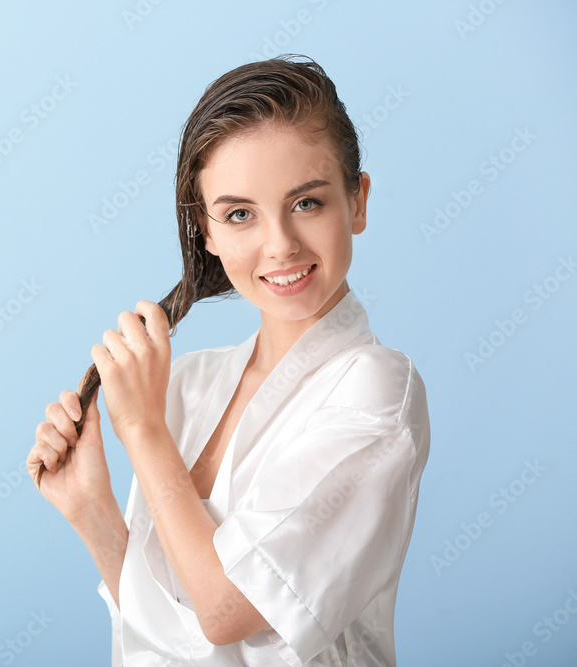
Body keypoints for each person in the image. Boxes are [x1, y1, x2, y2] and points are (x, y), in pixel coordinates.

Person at [26, 54, 430, 666]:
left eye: (308, 203)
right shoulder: (187, 383)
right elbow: (169, 634)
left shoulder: (375, 392)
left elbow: (225, 612)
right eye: (240, 214)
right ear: (206, 232)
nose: (279, 245)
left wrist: (141, 431)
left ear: (359, 201)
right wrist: (94, 512)